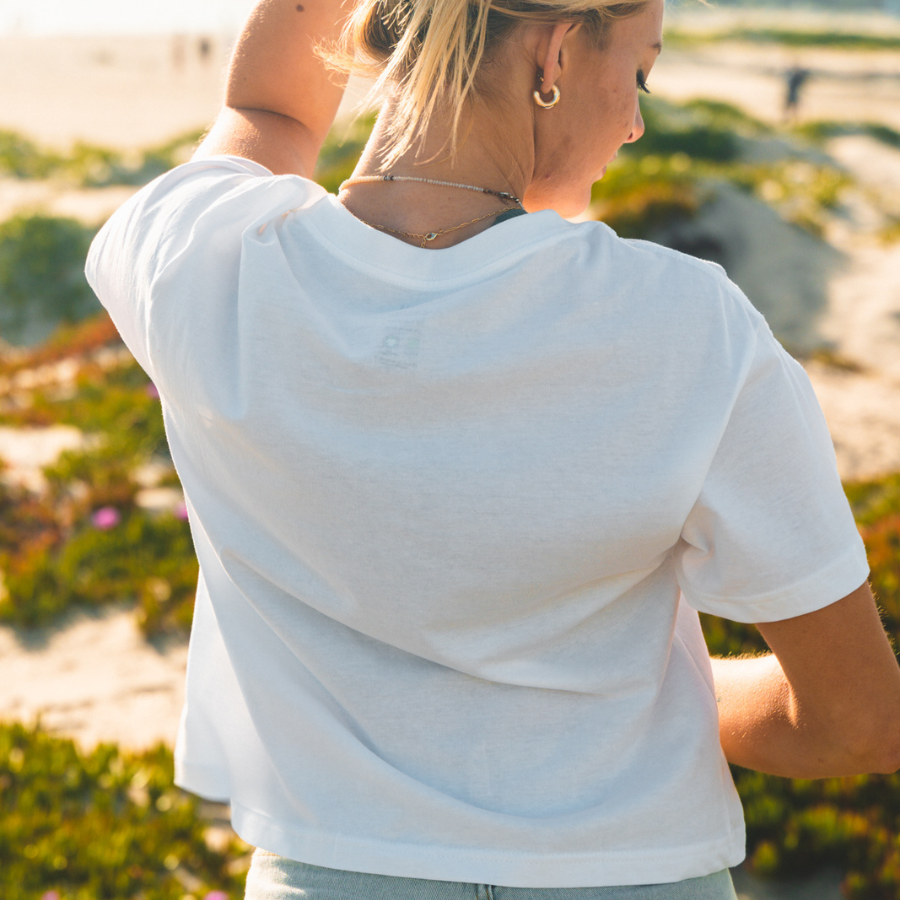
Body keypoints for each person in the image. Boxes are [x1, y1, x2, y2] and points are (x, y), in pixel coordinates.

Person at [85, 0, 900, 897]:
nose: (634, 123)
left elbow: (270, 107)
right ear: (554, 51)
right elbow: (856, 724)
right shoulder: (684, 328)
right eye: (640, 73)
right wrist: (654, 699)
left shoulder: (202, 261)